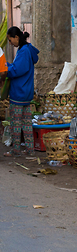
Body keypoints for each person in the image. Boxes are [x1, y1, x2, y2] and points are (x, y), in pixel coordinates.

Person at [3, 27, 39, 157]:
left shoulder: (23, 51)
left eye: (10, 39)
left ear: (16, 37)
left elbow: (17, 70)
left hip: (19, 92)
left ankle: (16, 150)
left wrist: (6, 67)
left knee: (16, 123)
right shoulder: (27, 49)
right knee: (27, 123)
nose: (10, 43)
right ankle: (30, 149)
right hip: (26, 92)